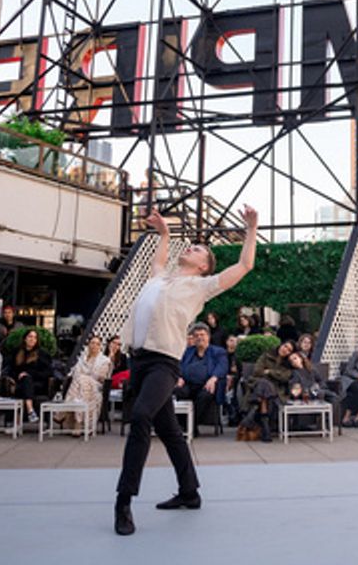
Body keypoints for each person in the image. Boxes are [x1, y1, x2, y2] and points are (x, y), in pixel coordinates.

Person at [114, 204, 259, 536]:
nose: (190, 247)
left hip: (164, 362)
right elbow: (160, 258)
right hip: (138, 361)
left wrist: (251, 229)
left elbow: (245, 265)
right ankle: (189, 493)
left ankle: (123, 502)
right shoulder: (159, 278)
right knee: (169, 431)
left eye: (197, 249)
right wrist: (164, 233)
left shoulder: (202, 286)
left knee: (140, 418)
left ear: (204, 265)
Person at [175, 323, 228, 434]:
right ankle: (185, 424)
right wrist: (179, 377)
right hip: (188, 384)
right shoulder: (188, 352)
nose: (199, 337)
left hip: (207, 384)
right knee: (178, 391)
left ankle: (191, 426)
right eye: (197, 335)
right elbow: (179, 365)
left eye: (202, 335)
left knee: (205, 394)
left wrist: (213, 378)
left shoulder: (218, 352)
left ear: (208, 336)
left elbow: (222, 367)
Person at [241, 339, 295, 442]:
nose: (285, 350)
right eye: (285, 346)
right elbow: (257, 371)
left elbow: (285, 376)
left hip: (273, 390)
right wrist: (275, 375)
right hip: (257, 384)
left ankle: (255, 410)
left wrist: (269, 371)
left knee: (265, 388)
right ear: (281, 345)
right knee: (264, 384)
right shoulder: (266, 356)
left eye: (289, 350)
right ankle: (266, 429)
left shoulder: (287, 364)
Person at [62, 334, 113, 434]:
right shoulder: (82, 359)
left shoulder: (105, 360)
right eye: (92, 343)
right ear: (89, 345)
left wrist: (86, 375)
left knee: (82, 380)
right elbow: (75, 372)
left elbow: (100, 377)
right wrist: (86, 375)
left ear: (100, 346)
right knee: (81, 381)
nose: (94, 346)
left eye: (97, 344)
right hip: (81, 386)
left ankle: (65, 413)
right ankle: (78, 422)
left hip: (96, 386)